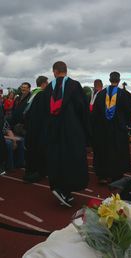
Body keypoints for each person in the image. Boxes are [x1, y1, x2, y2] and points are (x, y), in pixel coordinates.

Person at [42, 61, 90, 206]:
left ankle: (61, 188)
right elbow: (83, 110)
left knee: (57, 157)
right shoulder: (75, 86)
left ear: (55, 71)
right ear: (65, 70)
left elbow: (45, 110)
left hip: (54, 130)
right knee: (72, 159)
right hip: (72, 130)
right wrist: (87, 133)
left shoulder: (49, 87)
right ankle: (65, 190)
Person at [92, 71, 131, 183]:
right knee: (117, 151)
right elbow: (129, 110)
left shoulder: (101, 94)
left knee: (103, 151)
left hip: (103, 129)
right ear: (119, 80)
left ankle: (102, 176)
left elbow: (95, 113)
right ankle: (116, 176)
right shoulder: (124, 94)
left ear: (109, 80)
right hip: (118, 130)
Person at [23, 76, 49, 183]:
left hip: (31, 127)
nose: (47, 85)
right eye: (47, 83)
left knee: (31, 151)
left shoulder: (33, 94)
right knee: (37, 151)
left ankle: (29, 172)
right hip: (38, 128)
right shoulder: (42, 94)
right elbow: (43, 113)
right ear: (43, 84)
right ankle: (35, 174)